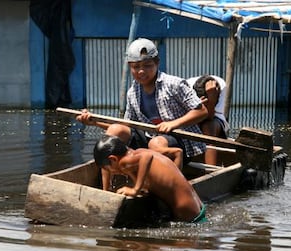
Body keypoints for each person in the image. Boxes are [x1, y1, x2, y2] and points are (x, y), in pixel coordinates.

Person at [77, 38, 207, 169]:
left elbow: (202, 111)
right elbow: (127, 125)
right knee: (116, 130)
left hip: (179, 141)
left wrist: (173, 124)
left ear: (157, 63)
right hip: (149, 140)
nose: (141, 71)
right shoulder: (133, 92)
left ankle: (167, 181)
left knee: (156, 144)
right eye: (136, 67)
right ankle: (108, 184)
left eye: (147, 65)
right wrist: (94, 121)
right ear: (130, 67)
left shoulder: (174, 84)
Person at [94, 134, 207, 223]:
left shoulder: (125, 162)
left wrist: (135, 190)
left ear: (113, 159)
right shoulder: (136, 153)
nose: (112, 173)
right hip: (195, 206)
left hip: (184, 209)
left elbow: (146, 158)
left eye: (108, 170)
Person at [187, 75, 230, 165]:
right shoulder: (186, 88)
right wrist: (198, 106)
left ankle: (210, 172)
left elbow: (210, 117)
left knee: (209, 127)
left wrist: (211, 100)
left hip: (215, 118)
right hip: (191, 117)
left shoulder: (221, 86)